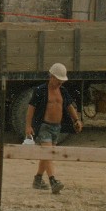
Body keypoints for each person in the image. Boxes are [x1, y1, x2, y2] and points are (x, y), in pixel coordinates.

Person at [25, 62, 83, 194]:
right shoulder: (40, 90)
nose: (60, 83)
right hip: (44, 126)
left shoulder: (62, 91)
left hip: (56, 128)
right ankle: (53, 181)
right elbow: (31, 109)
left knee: (46, 155)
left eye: (62, 81)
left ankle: (38, 180)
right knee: (49, 153)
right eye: (58, 80)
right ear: (51, 77)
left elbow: (69, 106)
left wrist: (76, 120)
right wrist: (28, 126)